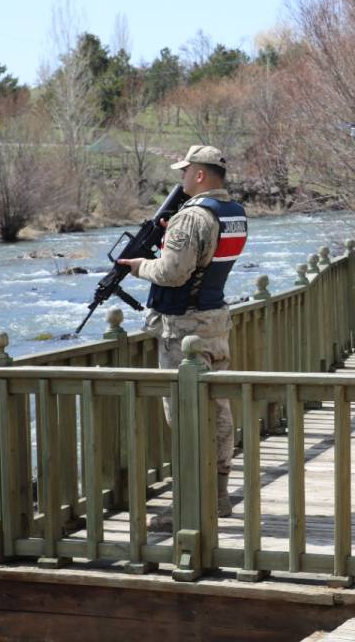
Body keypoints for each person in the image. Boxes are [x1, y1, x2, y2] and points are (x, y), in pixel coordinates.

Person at [118, 144, 248, 520]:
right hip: (215, 321)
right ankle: (219, 494)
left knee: (186, 412)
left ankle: (191, 503)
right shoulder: (234, 213)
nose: (181, 178)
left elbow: (173, 273)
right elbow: (205, 262)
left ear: (200, 174)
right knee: (218, 408)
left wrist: (140, 265)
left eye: (185, 171)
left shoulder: (191, 218)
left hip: (183, 329)